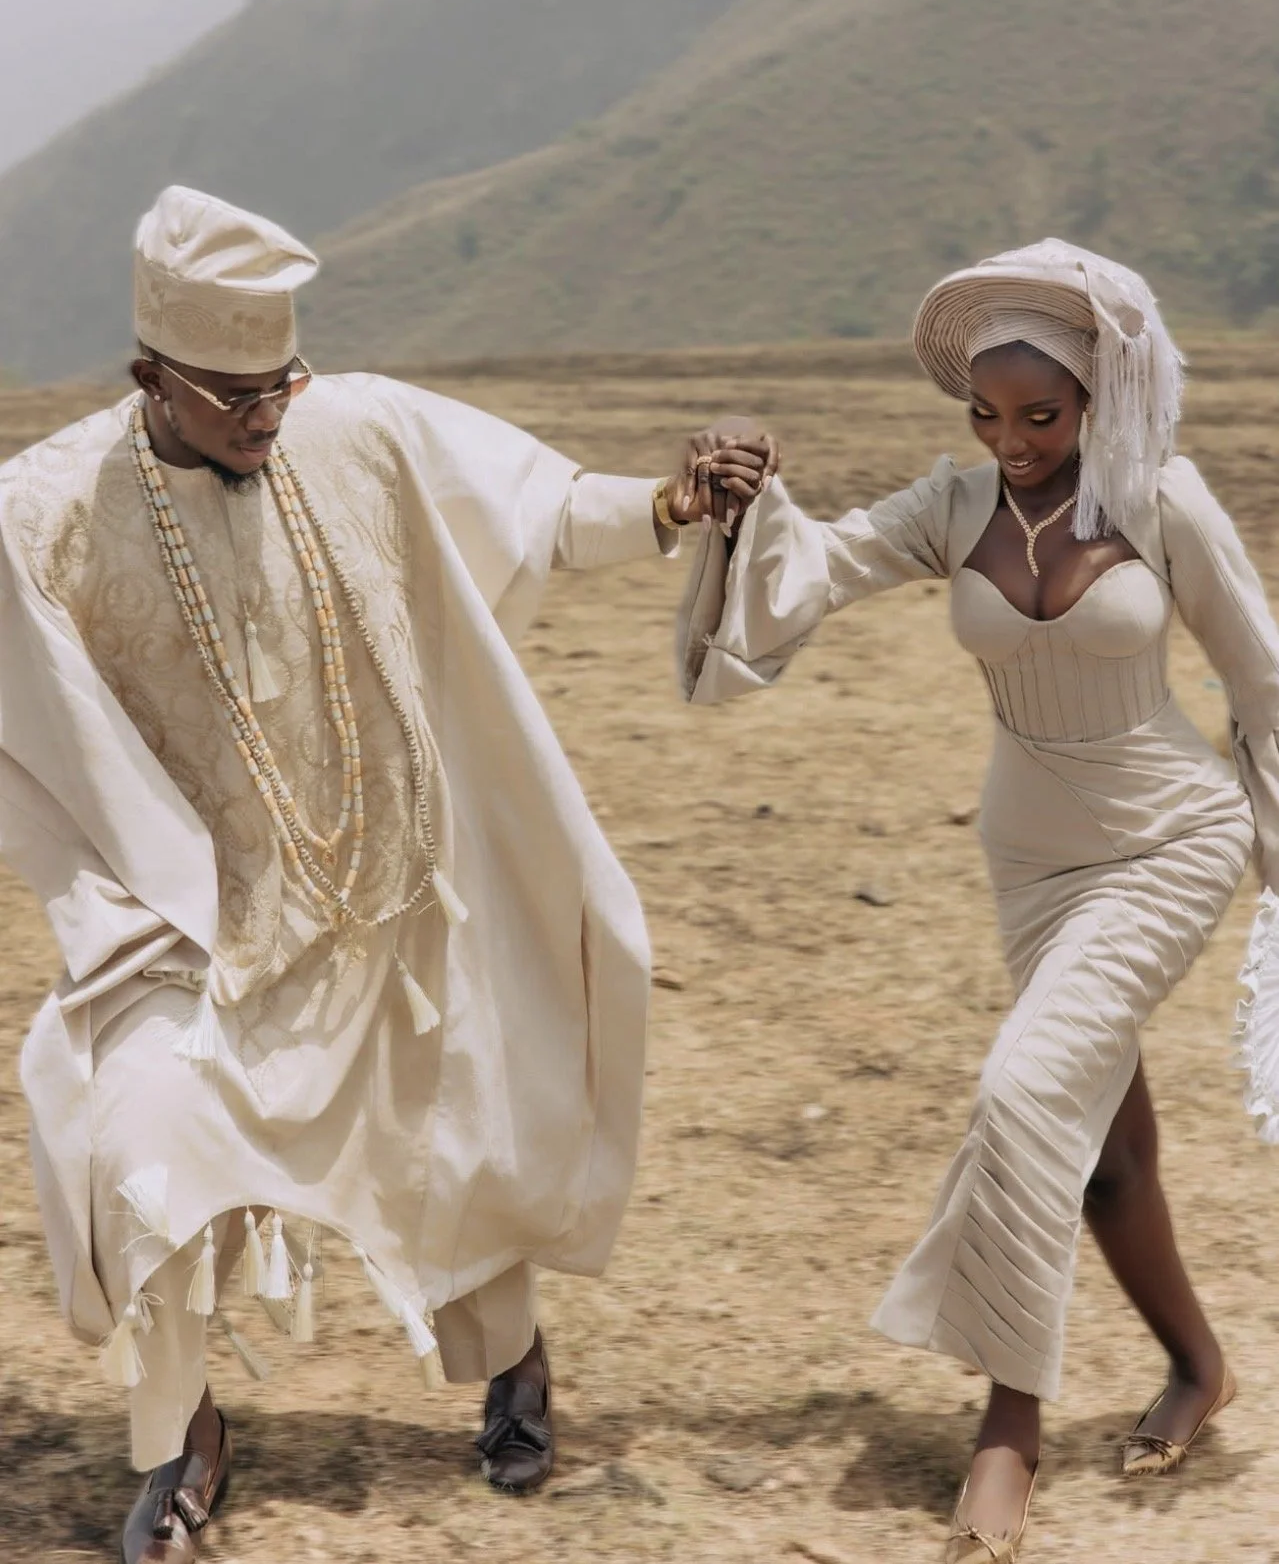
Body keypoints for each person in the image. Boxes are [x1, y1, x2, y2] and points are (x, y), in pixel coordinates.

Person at [0, 184, 773, 1563]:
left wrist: (668, 499)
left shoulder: (350, 425)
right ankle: (183, 1435)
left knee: (466, 1131)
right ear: (147, 377)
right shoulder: (53, 504)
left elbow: (532, 508)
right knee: (140, 1149)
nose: (265, 413)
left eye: (279, 380)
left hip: (395, 893)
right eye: (232, 392)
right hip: (202, 934)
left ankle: (512, 1363)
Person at [677, 238, 1279, 1562]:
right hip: (1029, 858)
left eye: (1039, 417)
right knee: (1102, 1153)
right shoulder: (952, 508)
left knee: (1020, 1094)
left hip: (1163, 837)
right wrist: (745, 486)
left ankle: (1006, 1425)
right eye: (986, 417)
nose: (1010, 445)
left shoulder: (1162, 501)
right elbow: (803, 573)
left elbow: (1260, 679)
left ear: (1098, 399)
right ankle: (1197, 1367)